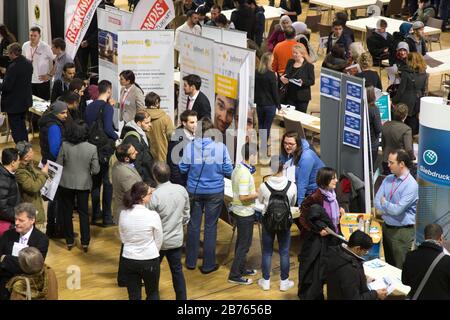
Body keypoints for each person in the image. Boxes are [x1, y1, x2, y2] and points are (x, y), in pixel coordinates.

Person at [179, 118, 233, 273]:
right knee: (210, 227)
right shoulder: (221, 147)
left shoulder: (189, 147)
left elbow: (182, 168)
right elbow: (228, 171)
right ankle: (208, 265)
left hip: (194, 191)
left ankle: (190, 262)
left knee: (193, 225)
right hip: (214, 192)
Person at [148, 162, 190, 299]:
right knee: (177, 273)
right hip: (176, 240)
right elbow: (186, 215)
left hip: (157, 244)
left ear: (154, 176)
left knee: (153, 275)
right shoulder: (181, 190)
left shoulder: (154, 196)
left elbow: (148, 221)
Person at [57, 120, 100, 252]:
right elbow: (96, 170)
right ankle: (85, 242)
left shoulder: (64, 145)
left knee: (67, 212)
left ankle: (69, 241)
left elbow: (59, 164)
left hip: (66, 183)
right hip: (84, 184)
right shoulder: (92, 148)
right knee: (83, 213)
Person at [374, 149, 418, 268]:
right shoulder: (388, 179)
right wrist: (387, 205)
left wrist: (385, 204)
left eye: (391, 162)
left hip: (402, 233)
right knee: (389, 266)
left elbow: (397, 210)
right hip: (386, 228)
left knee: (400, 269)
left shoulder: (411, 185)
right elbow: (377, 202)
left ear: (401, 164)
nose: (388, 165)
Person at [257, 161, 297, 291]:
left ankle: (266, 281)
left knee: (267, 252)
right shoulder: (292, 186)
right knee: (284, 252)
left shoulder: (264, 186)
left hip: (268, 221)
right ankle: (284, 282)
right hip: (285, 222)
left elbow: (260, 201)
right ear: (284, 168)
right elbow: (292, 202)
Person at [119, 181, 163, 300]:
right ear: (142, 198)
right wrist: (153, 250)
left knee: (133, 296)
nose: (151, 195)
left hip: (129, 259)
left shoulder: (123, 213)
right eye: (150, 193)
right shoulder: (153, 215)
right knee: (153, 293)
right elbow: (159, 239)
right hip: (149, 259)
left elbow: (123, 237)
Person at [85, 80, 118, 227]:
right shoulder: (107, 108)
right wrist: (118, 137)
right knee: (107, 182)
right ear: (109, 91)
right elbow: (108, 129)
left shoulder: (89, 106)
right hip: (105, 149)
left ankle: (95, 214)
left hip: (91, 147)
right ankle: (107, 217)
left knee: (95, 181)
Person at [0, 203, 49, 300]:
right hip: (4, 280)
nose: (16, 223)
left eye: (21, 220)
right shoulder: (7, 235)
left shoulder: (42, 239)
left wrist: (6, 259)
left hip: (28, 283)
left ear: (32, 220)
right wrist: (21, 263)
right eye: (15, 219)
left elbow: (34, 267)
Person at [228, 143, 258, 285]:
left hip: (239, 211)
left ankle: (241, 268)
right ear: (251, 156)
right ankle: (234, 275)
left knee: (241, 242)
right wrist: (257, 194)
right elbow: (243, 197)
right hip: (244, 212)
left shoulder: (238, 168)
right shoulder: (245, 174)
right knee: (244, 245)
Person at [326, 230, 388, 300]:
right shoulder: (349, 269)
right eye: (365, 251)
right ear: (357, 248)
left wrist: (363, 281)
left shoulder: (338, 253)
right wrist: (376, 294)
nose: (366, 253)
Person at [402, 224, 450, 300]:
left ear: (424, 237)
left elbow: (405, 281)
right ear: (441, 238)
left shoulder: (410, 256)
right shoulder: (447, 261)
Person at [280, 132, 325, 207]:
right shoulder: (288, 152)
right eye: (285, 143)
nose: (287, 146)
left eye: (291, 144)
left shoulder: (306, 157)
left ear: (298, 144)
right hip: (296, 186)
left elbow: (302, 183)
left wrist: (300, 205)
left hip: (314, 192)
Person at [0, 43, 33, 143]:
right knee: (22, 126)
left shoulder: (13, 67)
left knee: (16, 129)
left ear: (13, 53)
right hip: (24, 102)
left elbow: (7, 86)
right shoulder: (28, 63)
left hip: (14, 104)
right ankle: (26, 148)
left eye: (9, 53)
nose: (8, 56)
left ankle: (21, 150)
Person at [15, 142, 48, 232]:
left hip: (35, 206)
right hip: (31, 211)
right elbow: (34, 187)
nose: (34, 152)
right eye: (31, 151)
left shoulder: (28, 165)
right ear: (26, 156)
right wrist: (44, 174)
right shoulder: (20, 172)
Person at [392, 52, 428, 135]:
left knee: (402, 126)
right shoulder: (424, 72)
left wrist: (394, 100)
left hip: (406, 101)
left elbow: (401, 90)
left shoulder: (406, 72)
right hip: (417, 101)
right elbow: (423, 90)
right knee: (412, 126)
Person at [111, 143, 143, 224]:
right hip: (128, 214)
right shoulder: (126, 174)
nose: (137, 152)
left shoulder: (118, 164)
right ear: (126, 158)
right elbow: (135, 195)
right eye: (133, 152)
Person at [120, 111, 154, 185]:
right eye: (147, 123)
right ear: (138, 123)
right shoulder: (133, 138)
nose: (150, 125)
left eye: (150, 122)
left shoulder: (140, 133)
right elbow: (135, 163)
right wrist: (143, 182)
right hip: (143, 181)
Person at [381, 103, 415, 175]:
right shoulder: (406, 129)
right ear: (405, 116)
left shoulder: (386, 124)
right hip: (398, 163)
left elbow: (383, 143)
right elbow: (408, 148)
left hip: (386, 160)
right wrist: (412, 158)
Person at [280, 44, 315, 113]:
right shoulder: (290, 62)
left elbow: (312, 81)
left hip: (302, 97)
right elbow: (285, 73)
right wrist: (282, 78)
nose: (294, 54)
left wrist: (303, 82)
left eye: (296, 53)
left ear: (302, 54)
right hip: (290, 94)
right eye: (293, 52)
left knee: (300, 116)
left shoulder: (309, 66)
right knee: (289, 115)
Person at [167, 110, 198, 186]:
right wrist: (181, 184)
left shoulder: (195, 134)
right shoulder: (176, 139)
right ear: (184, 123)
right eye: (192, 122)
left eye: (196, 122)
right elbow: (173, 165)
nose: (195, 125)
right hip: (183, 182)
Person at [22, 27, 53, 101]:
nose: (32, 37)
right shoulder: (25, 45)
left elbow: (57, 60)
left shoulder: (45, 47)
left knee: (44, 104)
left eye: (35, 35)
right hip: (29, 81)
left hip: (42, 81)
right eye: (31, 35)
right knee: (30, 104)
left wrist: (50, 75)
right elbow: (22, 61)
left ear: (39, 36)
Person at [255, 52, 280, 145]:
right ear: (269, 61)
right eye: (272, 60)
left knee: (261, 125)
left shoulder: (256, 72)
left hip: (259, 104)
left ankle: (261, 143)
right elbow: (274, 92)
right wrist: (279, 105)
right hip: (269, 105)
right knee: (267, 126)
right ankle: (263, 145)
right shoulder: (271, 74)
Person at [144, 92, 175, 162]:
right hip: (162, 154)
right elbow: (171, 137)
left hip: (145, 154)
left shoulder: (141, 117)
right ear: (157, 103)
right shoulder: (166, 118)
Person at [0, 149, 21, 231]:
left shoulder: (8, 174)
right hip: (8, 223)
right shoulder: (3, 181)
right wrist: (20, 217)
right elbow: (2, 209)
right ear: (12, 163)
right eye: (18, 160)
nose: (20, 162)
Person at [366, 86, 382, 168]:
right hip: (371, 144)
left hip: (362, 143)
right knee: (370, 167)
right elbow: (378, 128)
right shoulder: (374, 109)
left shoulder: (361, 107)